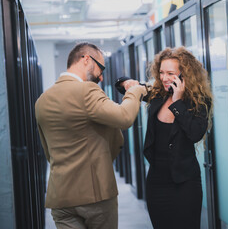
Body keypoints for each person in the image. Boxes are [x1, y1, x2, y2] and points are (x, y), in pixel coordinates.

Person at [35, 42, 147, 229]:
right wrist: (135, 90)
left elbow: (48, 151)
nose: (101, 77)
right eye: (100, 68)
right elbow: (124, 117)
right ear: (86, 59)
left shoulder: (42, 100)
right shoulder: (87, 90)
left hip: (60, 197)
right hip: (95, 195)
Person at [119, 47, 213, 228]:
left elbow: (195, 134)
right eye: (161, 72)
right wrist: (128, 82)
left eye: (170, 73)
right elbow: (120, 84)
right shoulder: (157, 94)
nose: (164, 78)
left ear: (184, 75)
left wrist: (178, 102)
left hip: (185, 183)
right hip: (157, 181)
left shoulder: (199, 101)